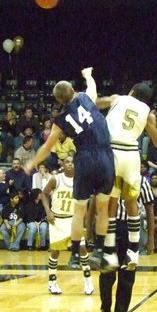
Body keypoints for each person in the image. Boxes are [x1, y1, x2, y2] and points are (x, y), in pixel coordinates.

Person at [25, 67, 115, 272]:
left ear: (60, 101)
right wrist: (88, 75)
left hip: (83, 158)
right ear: (74, 90)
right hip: (105, 156)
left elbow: (47, 147)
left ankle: (75, 255)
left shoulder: (60, 120)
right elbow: (92, 87)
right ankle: (99, 251)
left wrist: (31, 164)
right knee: (102, 207)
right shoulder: (85, 98)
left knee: (79, 210)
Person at [95, 81, 157, 271]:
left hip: (114, 152)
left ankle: (109, 253)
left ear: (131, 91)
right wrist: (154, 125)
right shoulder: (148, 112)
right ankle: (133, 252)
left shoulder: (118, 98)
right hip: (132, 154)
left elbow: (97, 103)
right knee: (132, 202)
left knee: (112, 203)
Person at [41, 156, 93, 294]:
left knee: (82, 248)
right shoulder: (55, 179)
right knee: (55, 251)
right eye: (67, 162)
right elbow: (43, 194)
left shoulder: (81, 181)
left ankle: (88, 280)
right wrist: (48, 211)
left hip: (74, 219)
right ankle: (52, 282)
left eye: (73, 162)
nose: (70, 164)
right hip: (57, 219)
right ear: (63, 164)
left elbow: (86, 203)